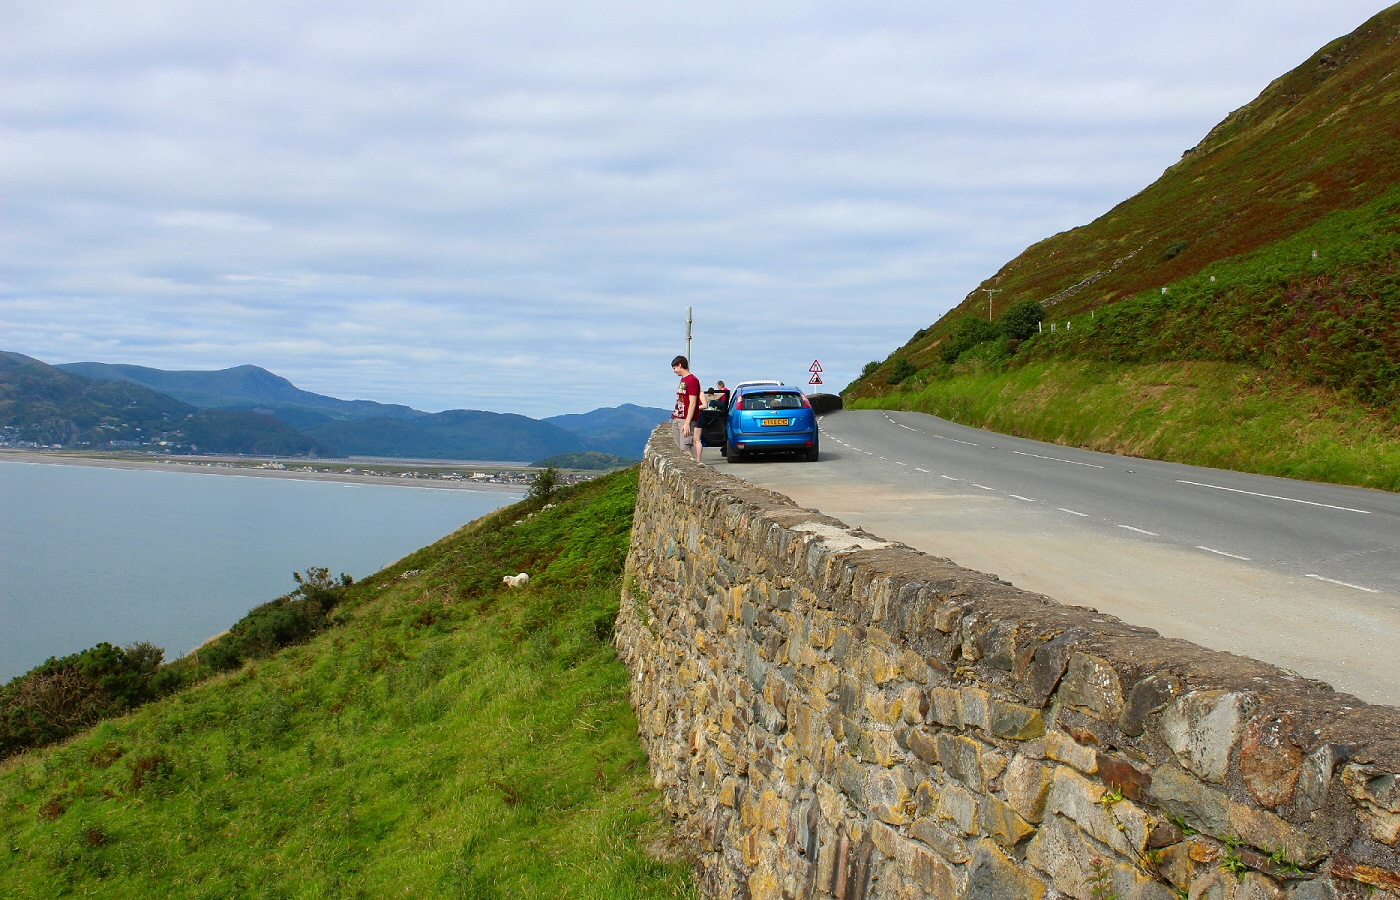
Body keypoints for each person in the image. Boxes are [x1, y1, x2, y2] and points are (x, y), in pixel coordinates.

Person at [671, 355, 703, 463]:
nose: (674, 371)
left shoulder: (692, 380)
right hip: (678, 417)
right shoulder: (683, 380)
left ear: (680, 365)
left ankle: (692, 466)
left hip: (685, 419)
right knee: (680, 449)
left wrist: (687, 423)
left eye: (675, 368)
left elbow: (693, 403)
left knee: (685, 448)